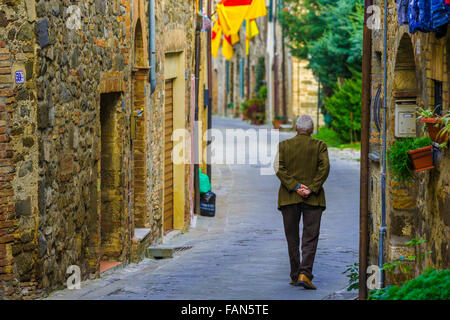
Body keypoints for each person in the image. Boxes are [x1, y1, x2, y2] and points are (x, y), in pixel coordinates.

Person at [275, 115, 330, 289]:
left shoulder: (284, 146)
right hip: (313, 199)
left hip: (288, 197)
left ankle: (294, 275)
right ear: (312, 130)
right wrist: (311, 188)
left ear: (296, 129)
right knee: (310, 237)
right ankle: (304, 274)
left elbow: (278, 167)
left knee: (292, 237)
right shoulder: (320, 145)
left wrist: (295, 186)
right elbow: (325, 167)